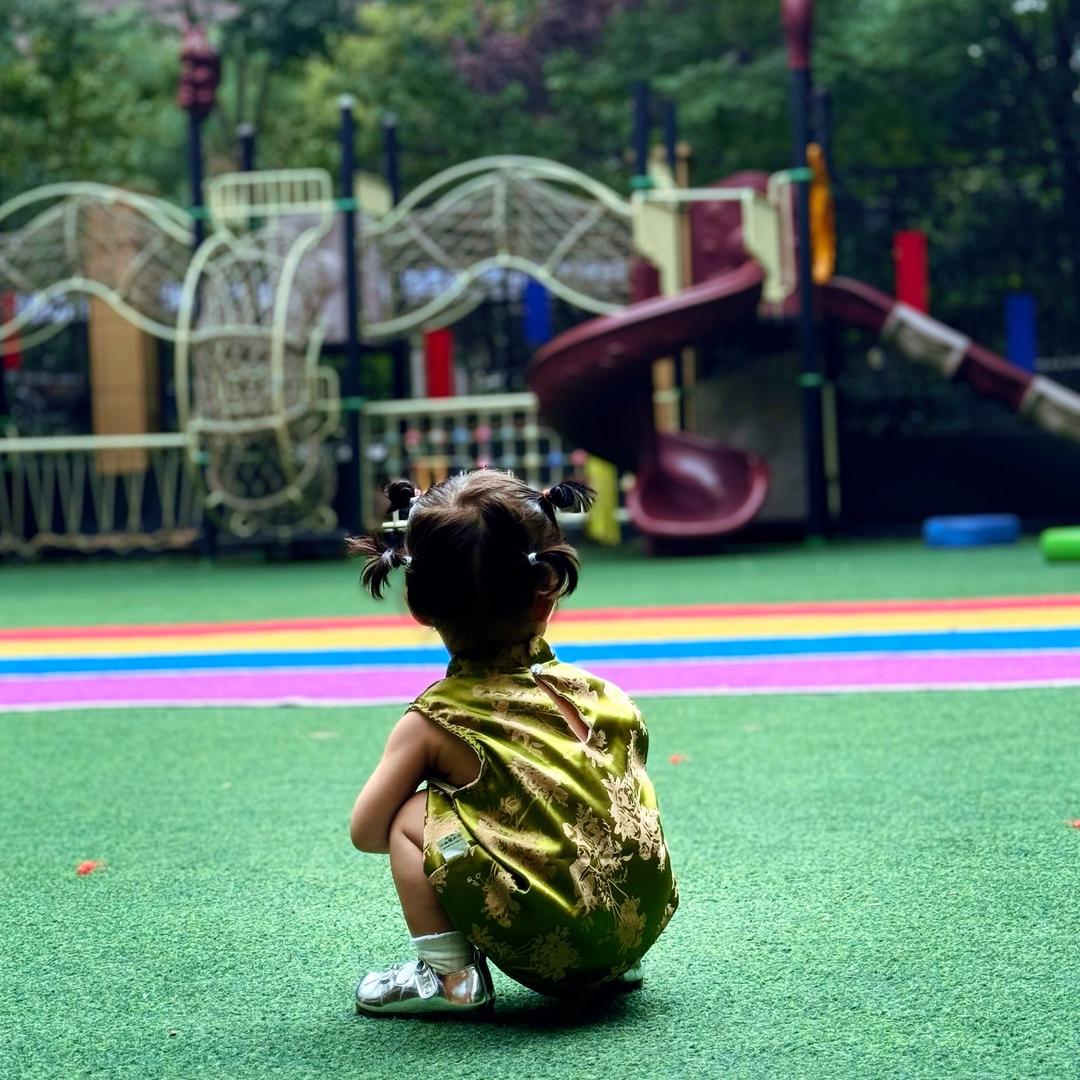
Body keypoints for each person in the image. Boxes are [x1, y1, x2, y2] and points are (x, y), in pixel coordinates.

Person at [348, 470, 678, 1017]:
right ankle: (617, 961)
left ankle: (450, 978)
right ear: (547, 591)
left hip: (554, 950)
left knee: (411, 814)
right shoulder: (602, 694)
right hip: (637, 929)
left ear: (418, 605)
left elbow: (366, 832)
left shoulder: (435, 720)